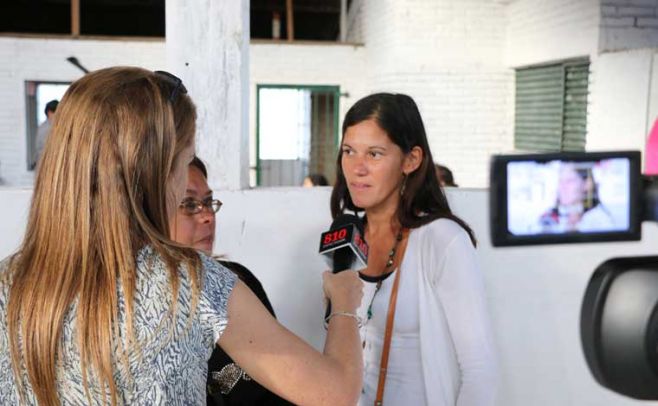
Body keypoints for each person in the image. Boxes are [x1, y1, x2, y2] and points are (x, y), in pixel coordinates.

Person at [0, 67, 363, 405]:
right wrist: (344, 302)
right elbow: (333, 393)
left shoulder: (7, 284)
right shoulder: (188, 283)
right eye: (183, 162)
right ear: (154, 175)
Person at [331, 93, 498, 405]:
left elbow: (480, 371)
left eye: (375, 154)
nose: (357, 168)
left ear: (411, 160)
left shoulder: (442, 240)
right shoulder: (345, 239)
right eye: (349, 151)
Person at [171, 156, 291, 405]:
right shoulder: (141, 309)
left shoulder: (237, 281)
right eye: (190, 204)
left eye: (207, 203)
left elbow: (283, 387)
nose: (207, 217)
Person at [539, 162, 615, 233]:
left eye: (569, 181)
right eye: (560, 181)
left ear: (587, 184)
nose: (563, 187)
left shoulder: (600, 221)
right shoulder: (550, 217)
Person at [34, 99, 58, 166]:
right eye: (57, 112)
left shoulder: (53, 126)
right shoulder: (45, 128)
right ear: (49, 113)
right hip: (47, 165)